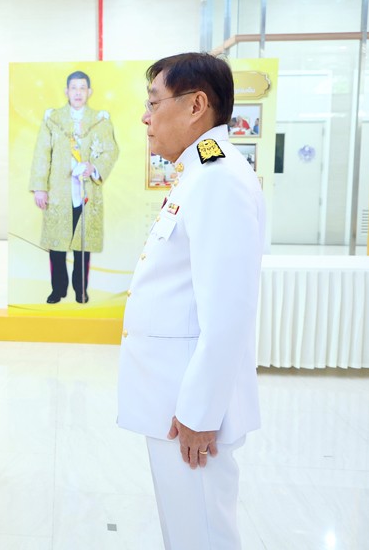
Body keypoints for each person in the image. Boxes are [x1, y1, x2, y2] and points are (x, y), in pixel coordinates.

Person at [117, 53, 264, 549]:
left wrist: (201, 414)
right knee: (187, 531)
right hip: (175, 399)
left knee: (201, 535)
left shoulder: (217, 177)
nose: (146, 117)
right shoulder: (199, 172)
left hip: (190, 411)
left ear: (196, 105)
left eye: (154, 103)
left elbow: (228, 313)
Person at [29, 71, 119, 304]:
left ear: (89, 92)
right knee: (57, 246)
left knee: (82, 244)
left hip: (85, 192)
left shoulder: (99, 119)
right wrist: (40, 187)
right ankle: (58, 290)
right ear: (66, 91)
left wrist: (94, 167)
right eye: (74, 88)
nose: (78, 92)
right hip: (58, 192)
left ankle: (81, 290)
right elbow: (42, 153)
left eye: (82, 88)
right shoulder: (53, 118)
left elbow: (110, 150)